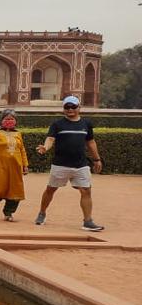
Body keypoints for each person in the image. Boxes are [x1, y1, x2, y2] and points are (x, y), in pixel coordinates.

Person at [34, 95, 104, 231]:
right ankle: (42, 212)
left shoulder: (86, 124)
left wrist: (96, 159)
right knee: (51, 189)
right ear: (63, 109)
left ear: (79, 108)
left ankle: (88, 221)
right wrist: (45, 147)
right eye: (67, 107)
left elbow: (90, 142)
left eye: (73, 106)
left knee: (86, 191)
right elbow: (50, 139)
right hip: (60, 164)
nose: (70, 109)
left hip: (81, 164)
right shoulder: (57, 124)